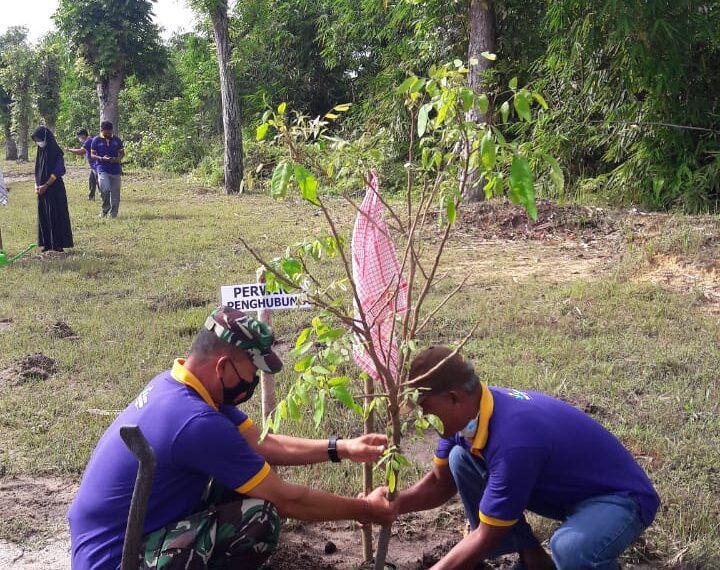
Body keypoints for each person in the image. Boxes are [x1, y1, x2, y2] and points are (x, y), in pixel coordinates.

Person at [68, 306, 394, 570]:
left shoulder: (182, 389)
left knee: (241, 478)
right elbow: (286, 499)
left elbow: (262, 444)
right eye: (251, 374)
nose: (250, 385)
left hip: (122, 539)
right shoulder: (195, 422)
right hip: (116, 560)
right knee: (260, 518)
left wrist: (342, 448)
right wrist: (363, 509)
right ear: (223, 366)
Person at [393, 345, 660, 570]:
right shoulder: (469, 413)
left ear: (453, 398)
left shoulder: (515, 439)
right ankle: (532, 557)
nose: (424, 420)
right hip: (569, 492)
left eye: (425, 410)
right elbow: (439, 484)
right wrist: (391, 504)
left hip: (619, 499)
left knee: (570, 548)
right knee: (460, 459)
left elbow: (486, 534)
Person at [31, 126, 73, 253]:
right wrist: (36, 185)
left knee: (56, 214)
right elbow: (37, 171)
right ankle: (47, 243)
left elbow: (59, 170)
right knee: (44, 215)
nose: (38, 142)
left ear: (45, 137)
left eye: (39, 139)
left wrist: (46, 185)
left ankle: (58, 244)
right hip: (42, 191)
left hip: (54, 189)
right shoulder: (40, 151)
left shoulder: (56, 151)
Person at [91, 120, 124, 218]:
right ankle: (105, 208)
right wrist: (101, 158)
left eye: (110, 132)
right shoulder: (96, 140)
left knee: (115, 193)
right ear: (102, 130)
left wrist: (117, 159)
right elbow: (92, 155)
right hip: (102, 168)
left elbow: (122, 153)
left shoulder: (116, 139)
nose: (108, 134)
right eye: (106, 133)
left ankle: (113, 214)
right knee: (104, 188)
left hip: (115, 169)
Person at [67, 128, 98, 200]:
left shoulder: (88, 141)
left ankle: (104, 196)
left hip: (96, 165)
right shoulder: (90, 140)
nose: (79, 138)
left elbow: (80, 152)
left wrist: (69, 150)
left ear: (83, 135)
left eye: (79, 136)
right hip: (93, 165)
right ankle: (91, 197)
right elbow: (83, 152)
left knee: (99, 182)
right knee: (92, 181)